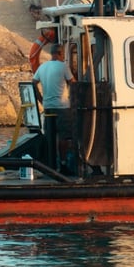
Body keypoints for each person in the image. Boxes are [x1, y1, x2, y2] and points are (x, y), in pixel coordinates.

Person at [32, 42, 76, 174]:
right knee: (64, 137)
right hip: (62, 107)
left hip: (48, 107)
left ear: (52, 53)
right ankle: (62, 164)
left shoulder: (42, 67)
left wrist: (41, 100)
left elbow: (33, 83)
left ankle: (50, 164)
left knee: (50, 135)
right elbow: (73, 83)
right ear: (61, 54)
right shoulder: (63, 66)